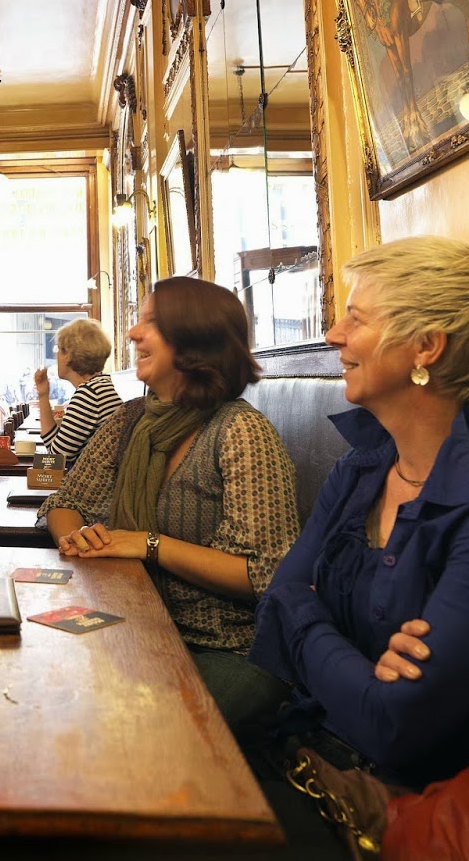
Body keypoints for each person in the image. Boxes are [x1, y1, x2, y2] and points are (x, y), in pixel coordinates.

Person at [244, 236, 469, 789]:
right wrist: (365, 667)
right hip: (313, 758)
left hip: (433, 813)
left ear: (425, 347)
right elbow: (274, 607)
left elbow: (391, 726)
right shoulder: (359, 471)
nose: (334, 335)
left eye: (355, 319)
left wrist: (308, 615)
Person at [41, 277, 300, 726]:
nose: (131, 334)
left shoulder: (240, 430)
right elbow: (65, 503)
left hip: (226, 650)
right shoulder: (130, 420)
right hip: (134, 626)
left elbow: (267, 575)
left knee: (108, 725)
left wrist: (148, 543)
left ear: (195, 339)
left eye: (151, 323)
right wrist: (80, 538)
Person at [32, 317, 123, 467]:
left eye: (58, 350)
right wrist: (43, 394)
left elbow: (57, 458)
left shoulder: (89, 395)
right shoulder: (100, 386)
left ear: (67, 355)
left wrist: (43, 396)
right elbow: (58, 451)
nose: (56, 357)